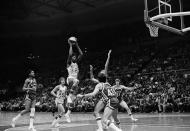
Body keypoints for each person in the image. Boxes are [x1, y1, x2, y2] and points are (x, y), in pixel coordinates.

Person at [78, 50, 112, 131]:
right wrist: (91, 70)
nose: (102, 71)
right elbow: (92, 78)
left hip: (107, 99)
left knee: (101, 114)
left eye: (103, 71)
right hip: (108, 99)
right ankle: (104, 127)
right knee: (98, 113)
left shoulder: (104, 80)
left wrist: (108, 56)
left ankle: (104, 127)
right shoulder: (101, 82)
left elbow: (106, 65)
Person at [65, 37, 83, 122]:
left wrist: (77, 45)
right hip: (70, 79)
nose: (74, 58)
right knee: (76, 80)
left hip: (75, 81)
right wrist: (71, 45)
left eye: (75, 57)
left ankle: (68, 114)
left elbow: (81, 54)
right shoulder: (69, 62)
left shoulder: (77, 63)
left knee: (74, 98)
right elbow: (70, 54)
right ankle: (69, 96)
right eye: (73, 57)